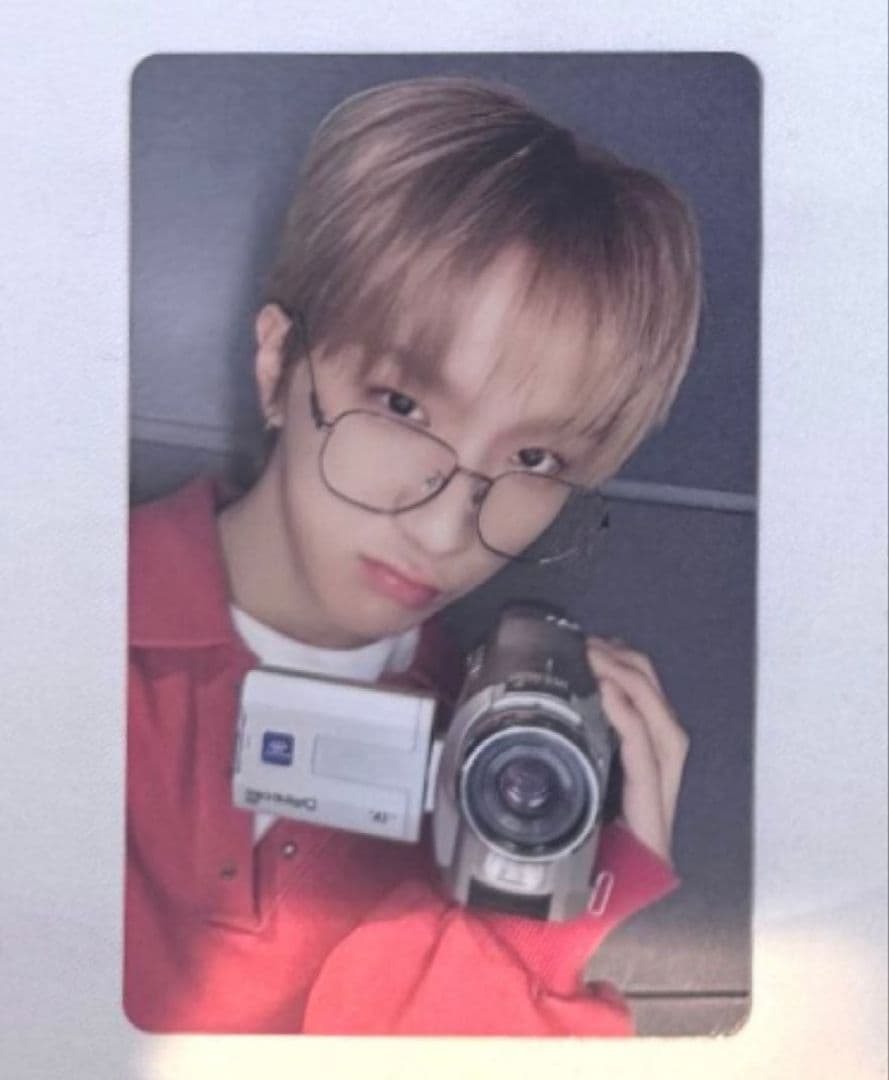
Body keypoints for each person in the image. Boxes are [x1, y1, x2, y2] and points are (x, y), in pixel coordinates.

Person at [125, 75, 701, 1035]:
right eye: (401, 405)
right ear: (277, 365)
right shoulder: (49, 619)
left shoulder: (511, 776)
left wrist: (533, 929)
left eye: (534, 459)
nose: (443, 531)